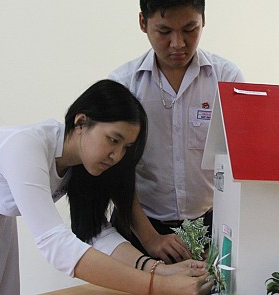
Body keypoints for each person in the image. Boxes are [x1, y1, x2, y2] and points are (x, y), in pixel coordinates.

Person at [0, 79, 213, 295]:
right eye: (113, 140)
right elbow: (57, 246)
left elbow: (95, 231)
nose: (117, 155)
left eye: (126, 147)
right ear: (80, 122)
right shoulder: (25, 148)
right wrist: (158, 286)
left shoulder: (80, 163)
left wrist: (157, 269)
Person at [109, 0, 245, 264]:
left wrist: (224, 231)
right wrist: (150, 239)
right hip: (140, 226)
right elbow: (115, 170)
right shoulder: (123, 84)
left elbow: (238, 161)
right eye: (164, 31)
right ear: (142, 23)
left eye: (189, 29)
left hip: (209, 223)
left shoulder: (227, 79)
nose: (178, 44)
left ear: (203, 20)